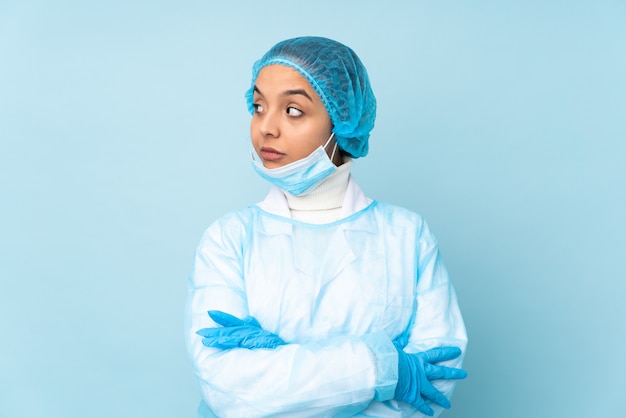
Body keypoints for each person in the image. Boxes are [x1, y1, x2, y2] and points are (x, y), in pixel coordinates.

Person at [185, 36, 468, 418]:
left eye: (293, 111)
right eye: (258, 106)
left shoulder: (407, 235)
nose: (266, 127)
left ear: (343, 122)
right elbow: (230, 390)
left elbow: (435, 381)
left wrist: (278, 362)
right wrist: (386, 366)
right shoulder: (229, 238)